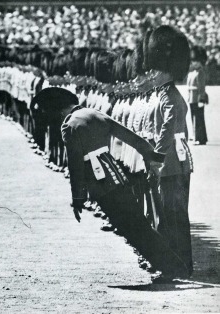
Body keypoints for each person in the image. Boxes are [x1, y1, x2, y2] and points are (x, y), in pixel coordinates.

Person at [31, 86, 191, 281]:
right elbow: (132, 137)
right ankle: (173, 266)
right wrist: (153, 157)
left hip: (100, 183)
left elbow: (75, 166)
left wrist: (78, 198)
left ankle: (171, 268)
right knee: (138, 225)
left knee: (131, 228)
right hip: (117, 175)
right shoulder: (94, 113)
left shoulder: (69, 125)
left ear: (59, 111)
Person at [144, 25, 194, 282]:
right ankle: (177, 265)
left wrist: (155, 160)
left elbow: (166, 132)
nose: (151, 74)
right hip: (171, 164)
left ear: (166, 70)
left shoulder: (171, 97)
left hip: (171, 165)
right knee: (170, 216)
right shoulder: (165, 95)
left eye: (155, 70)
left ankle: (175, 267)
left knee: (172, 216)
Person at [187, 45, 208, 145]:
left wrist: (201, 99)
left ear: (199, 61)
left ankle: (199, 137)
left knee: (198, 119)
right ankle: (197, 136)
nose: (193, 63)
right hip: (192, 98)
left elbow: (201, 87)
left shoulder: (200, 72)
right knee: (194, 118)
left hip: (197, 99)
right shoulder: (193, 72)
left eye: (195, 61)